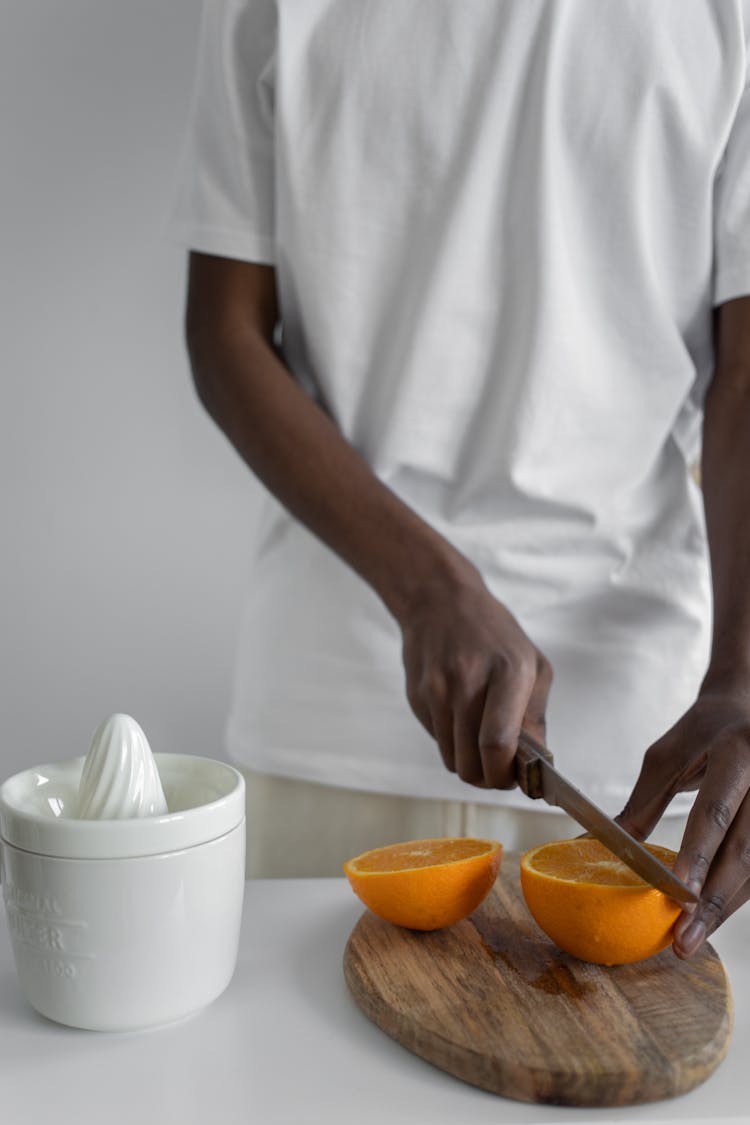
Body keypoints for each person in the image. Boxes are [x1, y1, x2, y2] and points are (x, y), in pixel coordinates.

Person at [168, 0, 750, 958]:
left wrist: (740, 671)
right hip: (332, 716)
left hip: (646, 760)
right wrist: (429, 584)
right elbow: (223, 331)